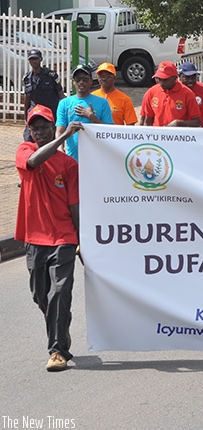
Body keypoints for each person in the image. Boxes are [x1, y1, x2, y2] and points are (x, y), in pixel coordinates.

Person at [17, 106, 84, 372]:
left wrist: (82, 239)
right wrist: (64, 136)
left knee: (60, 290)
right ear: (31, 132)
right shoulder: (25, 151)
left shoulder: (69, 164)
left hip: (64, 237)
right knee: (40, 296)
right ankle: (61, 324)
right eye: (36, 129)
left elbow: (75, 205)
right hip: (35, 238)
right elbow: (34, 162)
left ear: (51, 126)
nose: (41, 132)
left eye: (45, 126)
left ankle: (57, 351)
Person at [55, 66, 114, 160]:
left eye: (85, 79)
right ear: (73, 82)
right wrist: (60, 149)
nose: (81, 82)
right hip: (72, 159)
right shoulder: (64, 103)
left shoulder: (103, 103)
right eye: (78, 79)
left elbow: (110, 132)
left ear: (91, 81)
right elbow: (60, 131)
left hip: (97, 158)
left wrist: (91, 117)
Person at [139, 62, 201, 128]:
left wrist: (179, 123)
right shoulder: (151, 92)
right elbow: (147, 120)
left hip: (179, 136)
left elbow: (197, 122)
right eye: (159, 79)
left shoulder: (187, 94)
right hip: (157, 136)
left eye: (165, 80)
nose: (162, 83)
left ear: (175, 78)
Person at [22, 49, 65, 142]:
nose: (34, 61)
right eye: (31, 59)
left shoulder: (51, 76)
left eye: (36, 59)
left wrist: (63, 114)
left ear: (41, 59)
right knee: (28, 140)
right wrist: (25, 116)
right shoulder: (27, 78)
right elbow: (27, 99)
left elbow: (61, 95)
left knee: (51, 141)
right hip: (35, 115)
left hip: (50, 115)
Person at [176, 62, 203, 128]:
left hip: (199, 131)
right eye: (187, 77)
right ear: (179, 77)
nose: (190, 81)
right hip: (178, 132)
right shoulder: (174, 90)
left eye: (193, 77)